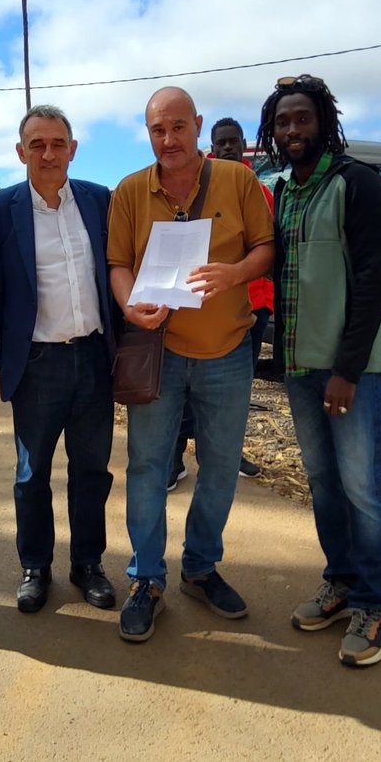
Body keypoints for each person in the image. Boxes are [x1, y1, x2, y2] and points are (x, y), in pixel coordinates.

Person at [107, 86, 274, 642]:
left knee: (221, 467)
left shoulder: (237, 179)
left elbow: (266, 248)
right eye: (158, 129)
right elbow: (117, 264)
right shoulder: (130, 191)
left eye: (178, 127)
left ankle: (200, 568)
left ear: (197, 125)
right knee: (149, 467)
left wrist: (234, 274)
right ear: (147, 131)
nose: (169, 139)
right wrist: (132, 304)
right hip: (159, 354)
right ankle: (146, 580)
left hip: (227, 351)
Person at [258, 74, 381, 667]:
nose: (293, 130)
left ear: (324, 122)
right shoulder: (285, 192)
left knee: (362, 488)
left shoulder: (357, 184)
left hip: (348, 370)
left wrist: (348, 368)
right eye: (283, 122)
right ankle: (341, 581)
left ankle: (374, 605)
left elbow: (374, 281)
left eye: (303, 119)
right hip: (297, 364)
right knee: (322, 483)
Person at [0, 105, 119, 614]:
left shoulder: (101, 202)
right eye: (37, 144)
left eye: (58, 143)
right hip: (36, 365)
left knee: (92, 471)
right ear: (21, 153)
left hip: (95, 361)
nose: (48, 153)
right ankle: (35, 566)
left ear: (73, 149)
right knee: (31, 474)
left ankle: (88, 564)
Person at [169, 117, 274, 488]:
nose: (228, 148)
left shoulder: (260, 190)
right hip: (209, 307)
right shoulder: (198, 187)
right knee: (185, 389)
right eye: (221, 143)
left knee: (236, 389)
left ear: (244, 144)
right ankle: (176, 456)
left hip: (254, 305)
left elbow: (269, 244)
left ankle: (231, 450)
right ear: (210, 145)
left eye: (234, 142)